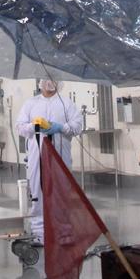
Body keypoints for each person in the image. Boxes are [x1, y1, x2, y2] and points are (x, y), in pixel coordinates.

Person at [16, 76, 83, 243]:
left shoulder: (66, 103)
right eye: (46, 79)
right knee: (37, 192)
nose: (49, 83)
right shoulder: (31, 104)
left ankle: (64, 232)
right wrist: (33, 126)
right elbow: (20, 127)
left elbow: (77, 127)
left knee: (61, 191)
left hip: (60, 155)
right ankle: (39, 233)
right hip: (36, 156)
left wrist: (60, 127)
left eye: (53, 79)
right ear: (40, 82)